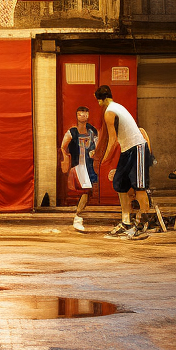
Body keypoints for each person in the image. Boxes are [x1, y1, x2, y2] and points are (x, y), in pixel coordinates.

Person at [95, 84, 151, 241]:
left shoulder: (110, 111)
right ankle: (126, 222)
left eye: (98, 101)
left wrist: (103, 160)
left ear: (101, 100)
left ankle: (142, 226)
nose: (98, 104)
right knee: (119, 182)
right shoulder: (117, 107)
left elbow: (112, 140)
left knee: (139, 186)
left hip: (137, 148)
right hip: (127, 150)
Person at [61, 106, 100, 233]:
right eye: (80, 115)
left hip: (90, 165)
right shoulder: (72, 132)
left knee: (89, 192)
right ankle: (77, 217)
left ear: (88, 116)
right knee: (86, 190)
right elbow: (63, 146)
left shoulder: (92, 131)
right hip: (79, 165)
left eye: (85, 115)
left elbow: (98, 145)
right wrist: (66, 159)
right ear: (77, 116)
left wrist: (95, 151)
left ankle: (79, 215)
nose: (83, 117)